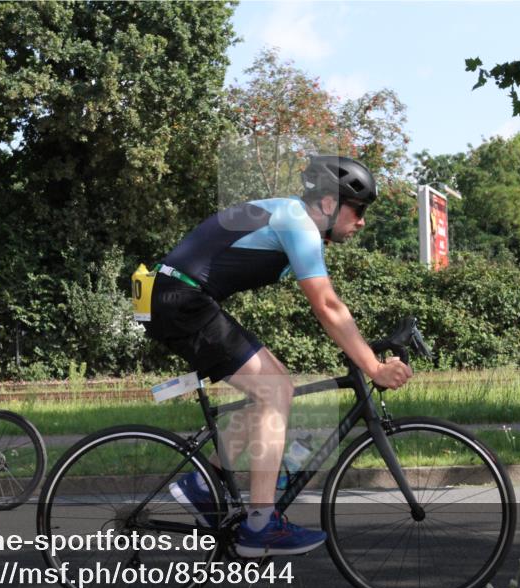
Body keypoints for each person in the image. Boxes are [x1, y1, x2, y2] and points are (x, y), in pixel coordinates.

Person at [143, 155, 413, 557]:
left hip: (175, 296)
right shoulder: (297, 223)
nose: (362, 222)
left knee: (274, 384)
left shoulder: (290, 218)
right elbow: (327, 307)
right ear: (328, 204)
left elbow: (328, 307)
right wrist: (371, 366)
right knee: (275, 391)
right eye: (358, 211)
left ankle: (205, 483)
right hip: (181, 299)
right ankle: (260, 523)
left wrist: (362, 350)